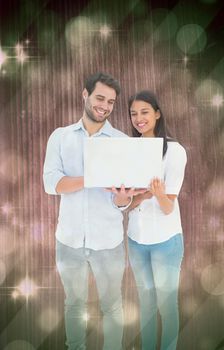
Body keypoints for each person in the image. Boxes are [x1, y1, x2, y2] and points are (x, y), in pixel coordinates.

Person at [43, 72, 141, 350]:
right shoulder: (60, 137)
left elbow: (122, 203)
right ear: (85, 95)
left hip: (108, 241)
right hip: (69, 240)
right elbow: (51, 184)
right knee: (73, 303)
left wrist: (123, 199)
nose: (105, 106)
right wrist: (92, 177)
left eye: (111, 102)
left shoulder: (122, 142)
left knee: (112, 305)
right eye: (100, 98)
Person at [126, 91, 187, 350]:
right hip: (136, 240)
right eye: (133, 113)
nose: (139, 119)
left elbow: (167, 207)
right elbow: (126, 204)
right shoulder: (127, 151)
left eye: (145, 112)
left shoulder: (174, 151)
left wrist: (156, 193)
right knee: (146, 304)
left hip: (165, 241)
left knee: (166, 305)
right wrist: (142, 195)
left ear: (157, 113)